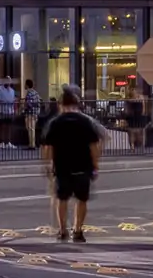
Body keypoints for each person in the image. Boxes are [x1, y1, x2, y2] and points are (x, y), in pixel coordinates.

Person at [39, 85, 107, 243]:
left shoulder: (55, 122)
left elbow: (48, 147)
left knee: (62, 199)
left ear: (60, 105)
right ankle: (77, 230)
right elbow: (94, 146)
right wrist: (95, 165)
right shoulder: (85, 121)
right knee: (81, 199)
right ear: (77, 105)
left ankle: (63, 230)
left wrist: (47, 165)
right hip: (83, 166)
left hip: (62, 166)